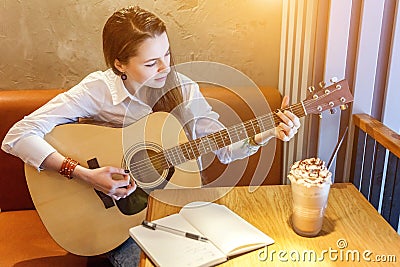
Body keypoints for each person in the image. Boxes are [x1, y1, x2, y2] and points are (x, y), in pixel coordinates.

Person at [1, 5, 300, 267]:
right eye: (150, 62)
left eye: (167, 53)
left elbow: (220, 143)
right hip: (118, 220)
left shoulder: (181, 87)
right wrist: (85, 175)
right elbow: (17, 135)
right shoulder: (98, 91)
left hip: (174, 208)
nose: (165, 67)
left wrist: (265, 133)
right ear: (120, 65)